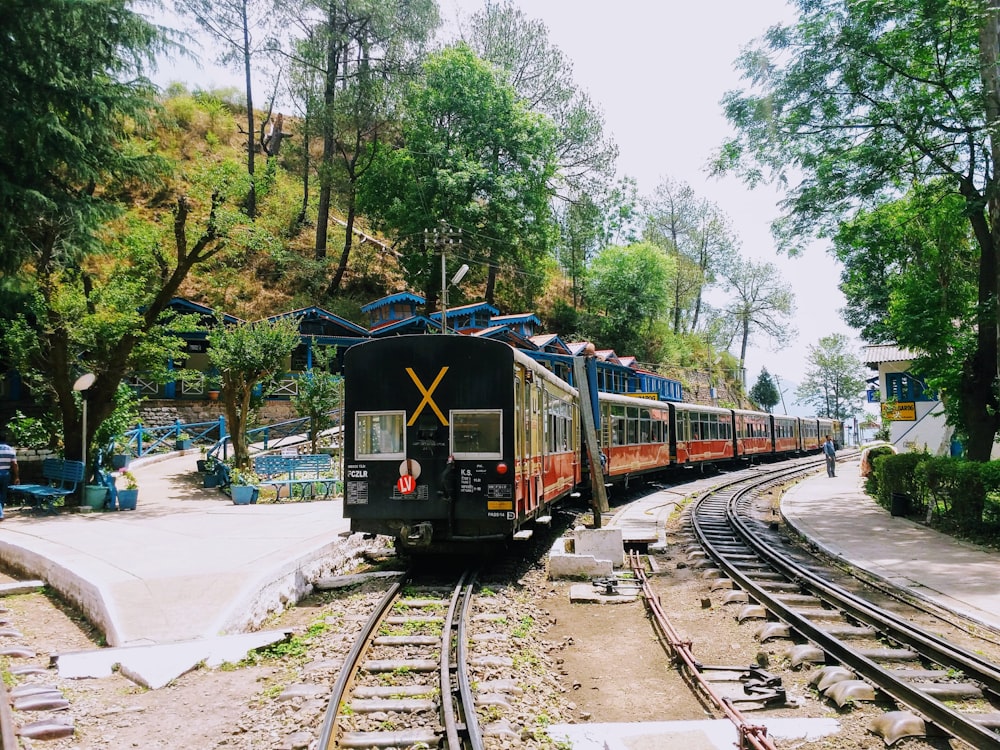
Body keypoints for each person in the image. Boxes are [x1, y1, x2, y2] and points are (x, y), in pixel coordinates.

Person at [0, 432, 19, 521]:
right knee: (3, 494)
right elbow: (14, 464)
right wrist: (16, 476)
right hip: (6, 473)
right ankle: (1, 511)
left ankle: (0, 514)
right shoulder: (10, 449)